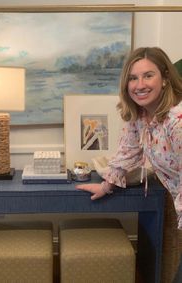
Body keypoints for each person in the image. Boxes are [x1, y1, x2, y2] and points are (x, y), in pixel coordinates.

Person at [75, 47, 182, 282]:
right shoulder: (141, 117)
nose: (139, 84)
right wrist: (105, 186)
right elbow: (127, 151)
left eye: (148, 75)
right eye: (133, 78)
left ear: (165, 78)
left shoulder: (177, 121)